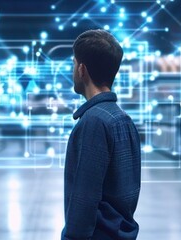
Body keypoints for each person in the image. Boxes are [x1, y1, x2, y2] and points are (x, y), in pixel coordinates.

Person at [63, 29, 142, 240]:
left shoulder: (93, 122)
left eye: (73, 64)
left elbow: (84, 199)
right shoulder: (123, 119)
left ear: (82, 70)